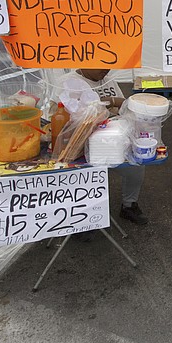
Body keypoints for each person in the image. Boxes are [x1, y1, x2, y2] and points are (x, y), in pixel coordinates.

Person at [60, 68, 149, 225]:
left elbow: (125, 106)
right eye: (101, 64)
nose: (106, 69)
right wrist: (107, 103)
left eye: (108, 64)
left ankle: (129, 205)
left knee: (136, 164)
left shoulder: (107, 79)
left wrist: (111, 102)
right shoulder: (68, 82)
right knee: (83, 175)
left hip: (109, 140)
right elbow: (59, 114)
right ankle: (82, 217)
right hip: (80, 146)